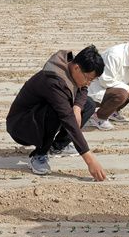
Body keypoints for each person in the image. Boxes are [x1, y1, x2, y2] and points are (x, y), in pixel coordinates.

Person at [6, 45, 107, 181]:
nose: (88, 83)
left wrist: (77, 107)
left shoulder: (72, 66)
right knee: (55, 112)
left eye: (92, 80)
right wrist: (89, 159)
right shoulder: (54, 80)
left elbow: (83, 89)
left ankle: (58, 146)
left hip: (38, 117)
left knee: (88, 104)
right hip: (21, 126)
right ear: (77, 68)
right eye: (88, 78)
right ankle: (39, 155)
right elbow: (67, 119)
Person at [86, 34, 129, 130]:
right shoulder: (114, 55)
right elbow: (105, 80)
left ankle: (112, 111)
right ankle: (99, 117)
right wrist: (127, 88)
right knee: (123, 93)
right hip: (94, 92)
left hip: (110, 89)